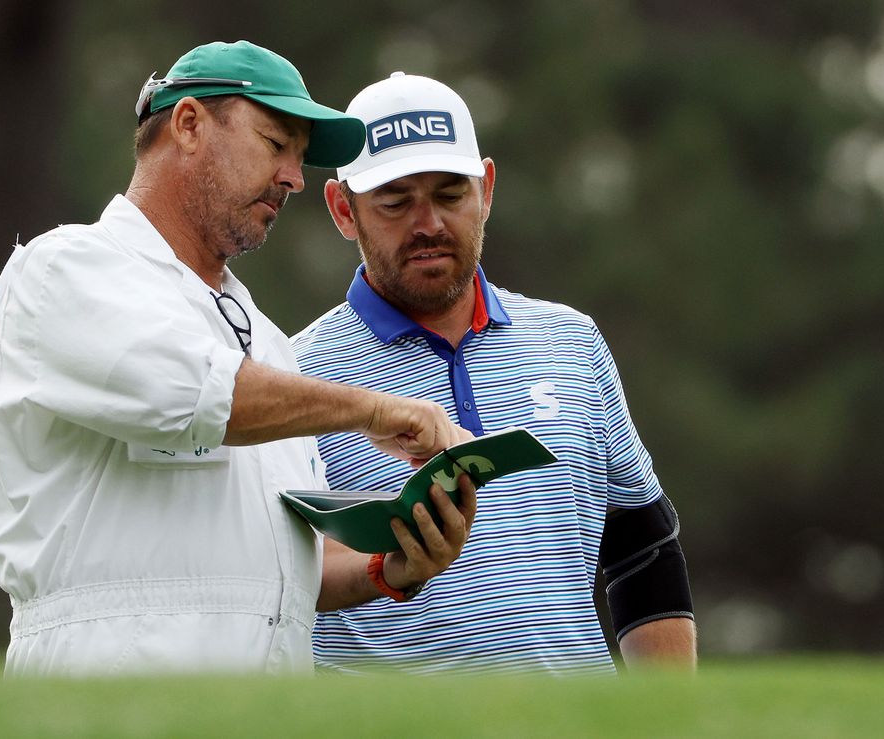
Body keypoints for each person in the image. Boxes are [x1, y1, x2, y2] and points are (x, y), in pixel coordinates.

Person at [0, 43, 477, 677]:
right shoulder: (65, 269)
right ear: (188, 125)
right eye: (276, 144)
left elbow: (283, 563)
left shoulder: (267, 342)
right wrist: (374, 410)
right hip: (102, 695)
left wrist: (388, 567)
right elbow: (200, 394)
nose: (295, 177)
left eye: (300, 158)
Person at [292, 73, 696, 674]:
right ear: (342, 210)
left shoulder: (570, 340)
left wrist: (670, 721)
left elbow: (641, 545)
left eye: (450, 194)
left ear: (487, 189)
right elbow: (281, 580)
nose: (427, 222)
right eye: (396, 201)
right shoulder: (296, 372)